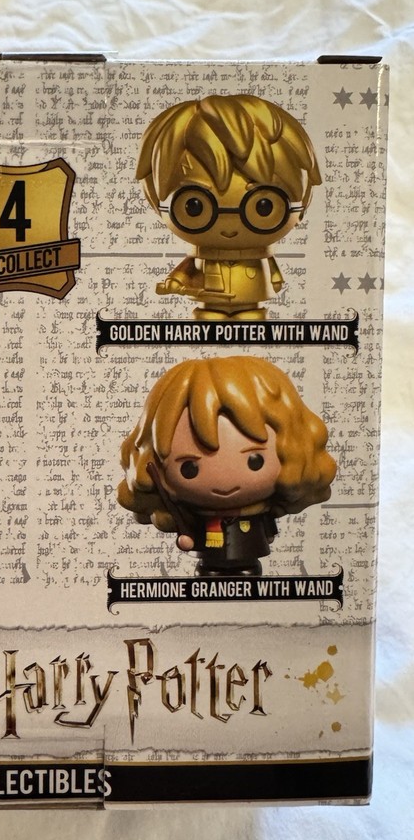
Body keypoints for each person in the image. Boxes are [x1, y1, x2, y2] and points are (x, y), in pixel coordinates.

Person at [118, 355, 336, 576]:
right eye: (189, 468)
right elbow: (188, 533)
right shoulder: (191, 512)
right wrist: (187, 537)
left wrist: (268, 531)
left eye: (255, 461)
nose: (223, 483)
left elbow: (268, 528)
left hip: (249, 557)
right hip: (209, 563)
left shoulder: (261, 510)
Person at [137, 94, 321, 320]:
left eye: (263, 207)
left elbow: (274, 275)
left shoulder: (260, 253)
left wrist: (275, 278)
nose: (229, 224)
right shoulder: (202, 254)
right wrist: (175, 281)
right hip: (208, 306)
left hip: (253, 305)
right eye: (194, 207)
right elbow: (186, 270)